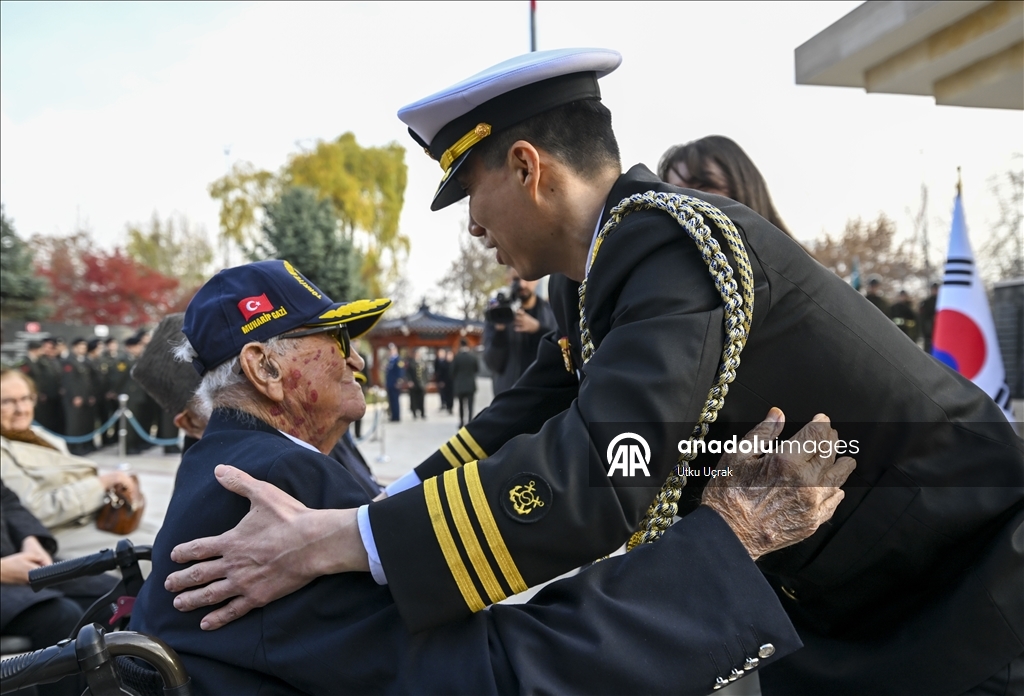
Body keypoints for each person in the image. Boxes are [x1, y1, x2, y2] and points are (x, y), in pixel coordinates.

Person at [164, 49, 1024, 695]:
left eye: (469, 195)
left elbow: (605, 465)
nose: (471, 230)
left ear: (528, 167)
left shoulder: (667, 239)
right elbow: (511, 431)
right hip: (864, 596)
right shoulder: (595, 280)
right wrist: (365, 514)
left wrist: (343, 542)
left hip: (972, 580)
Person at [131, 259, 851, 695]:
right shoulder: (276, 484)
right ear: (265, 368)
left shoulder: (238, 464)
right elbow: (495, 680)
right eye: (336, 341)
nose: (357, 360)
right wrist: (730, 538)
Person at [1, 481, 116, 696]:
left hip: (18, 557)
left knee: (110, 595)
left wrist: (32, 541)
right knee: (62, 616)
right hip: (5, 572)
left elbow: (6, 499)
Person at [0, 368, 141, 530]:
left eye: (26, 398)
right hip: (54, 534)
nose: (21, 410)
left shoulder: (36, 435)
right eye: (7, 402)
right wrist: (101, 484)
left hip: (83, 517)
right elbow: (32, 510)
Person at [658, 135, 792, 238]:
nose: (686, 202)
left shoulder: (795, 268)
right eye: (676, 193)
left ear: (743, 187)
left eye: (702, 188)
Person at [483, 269, 557, 395]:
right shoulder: (496, 315)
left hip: (542, 397)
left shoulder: (551, 312)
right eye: (516, 279)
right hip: (508, 399)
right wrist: (500, 330)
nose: (522, 285)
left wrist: (538, 329)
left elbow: (561, 354)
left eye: (527, 278)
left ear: (537, 279)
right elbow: (493, 364)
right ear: (508, 280)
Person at [59, 338, 96, 455]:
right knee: (74, 424)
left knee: (83, 423)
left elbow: (88, 381)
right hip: (73, 399)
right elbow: (69, 381)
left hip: (85, 397)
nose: (83, 349)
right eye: (80, 347)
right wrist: (75, 396)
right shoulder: (69, 361)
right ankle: (73, 448)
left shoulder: (84, 361)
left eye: (84, 347)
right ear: (74, 347)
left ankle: (83, 445)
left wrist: (89, 395)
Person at [18, 340, 62, 434]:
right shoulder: (24, 362)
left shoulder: (38, 362)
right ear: (35, 350)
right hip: (31, 395)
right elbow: (26, 380)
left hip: (39, 396)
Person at [450, 338, 478, 427]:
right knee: (470, 405)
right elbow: (477, 369)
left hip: (460, 385)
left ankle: (461, 422)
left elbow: (452, 372)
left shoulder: (457, 357)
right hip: (470, 384)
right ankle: (470, 421)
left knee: (461, 405)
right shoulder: (473, 357)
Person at [405, 348, 427, 419]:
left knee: (422, 399)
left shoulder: (423, 363)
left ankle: (422, 413)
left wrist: (426, 382)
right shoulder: (411, 363)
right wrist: (409, 381)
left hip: (421, 384)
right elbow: (407, 373)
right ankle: (414, 413)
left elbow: (426, 374)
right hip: (414, 383)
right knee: (413, 399)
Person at [384, 343, 404, 422]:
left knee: (395, 400)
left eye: (392, 350)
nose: (391, 352)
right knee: (391, 400)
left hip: (395, 384)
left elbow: (400, 372)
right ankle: (393, 415)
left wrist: (399, 382)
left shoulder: (398, 359)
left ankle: (396, 416)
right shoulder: (390, 360)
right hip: (390, 383)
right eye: (390, 350)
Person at [919, 281, 939, 352]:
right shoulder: (926, 303)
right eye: (934, 289)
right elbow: (922, 319)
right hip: (929, 332)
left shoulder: (942, 303)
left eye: (936, 289)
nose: (935, 291)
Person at [434, 348, 453, 413]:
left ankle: (450, 407)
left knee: (450, 395)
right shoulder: (441, 362)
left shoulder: (452, 363)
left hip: (451, 382)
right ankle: (444, 404)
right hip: (444, 381)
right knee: (443, 393)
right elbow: (439, 372)